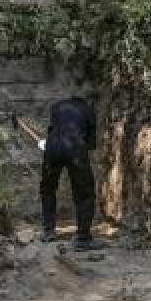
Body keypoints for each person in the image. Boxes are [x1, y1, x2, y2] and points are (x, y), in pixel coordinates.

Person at [40, 94, 97, 248]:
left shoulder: (57, 107)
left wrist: (50, 145)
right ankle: (83, 238)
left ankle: (48, 232)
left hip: (52, 148)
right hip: (75, 148)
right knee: (85, 193)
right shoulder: (88, 110)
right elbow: (91, 144)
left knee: (48, 189)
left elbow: (52, 130)